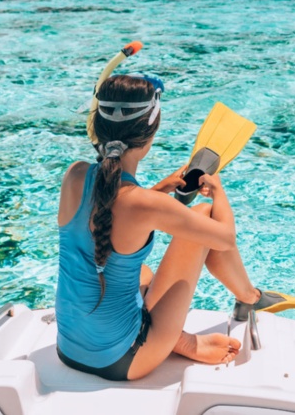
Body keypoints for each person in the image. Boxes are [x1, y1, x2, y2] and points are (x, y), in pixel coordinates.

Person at [55, 74, 265, 381]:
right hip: (124, 361)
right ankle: (250, 298)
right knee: (205, 213)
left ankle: (173, 338)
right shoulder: (147, 205)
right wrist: (219, 192)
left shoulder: (75, 175)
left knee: (141, 274)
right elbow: (224, 238)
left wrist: (158, 191)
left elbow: (111, 219)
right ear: (150, 134)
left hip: (69, 349)